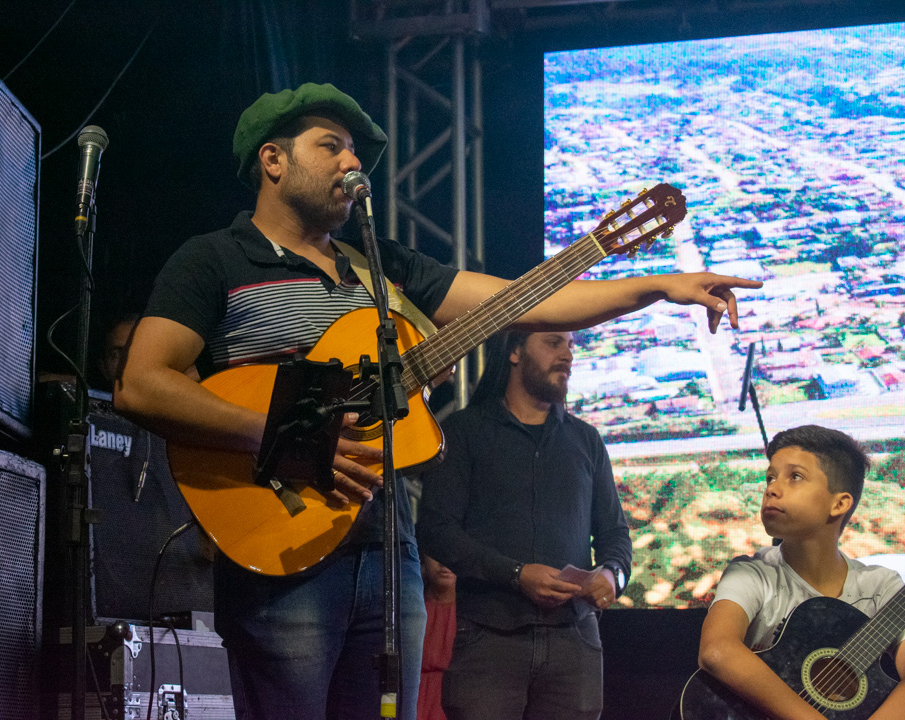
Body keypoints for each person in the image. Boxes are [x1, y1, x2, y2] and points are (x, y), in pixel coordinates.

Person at [114, 81, 760, 720]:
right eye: (331, 146)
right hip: (280, 540)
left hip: (388, 548)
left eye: (355, 153)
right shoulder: (215, 261)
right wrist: (281, 434)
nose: (351, 163)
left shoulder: (379, 266)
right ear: (273, 161)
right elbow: (142, 384)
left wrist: (658, 285)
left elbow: (525, 301)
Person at [416, 331, 632, 720]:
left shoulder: (586, 439)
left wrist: (613, 575)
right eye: (554, 343)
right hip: (487, 640)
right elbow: (437, 529)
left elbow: (615, 535)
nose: (567, 354)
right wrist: (516, 575)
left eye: (570, 345)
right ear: (514, 352)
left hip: (575, 640)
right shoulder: (464, 432)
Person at [696, 425, 905, 719]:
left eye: (795, 477)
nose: (772, 488)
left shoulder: (881, 586)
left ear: (839, 503)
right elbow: (717, 650)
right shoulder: (752, 573)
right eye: (770, 477)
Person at [418, 555, 457, 720]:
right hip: (407, 703)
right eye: (436, 553)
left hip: (457, 706)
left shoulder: (479, 615)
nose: (444, 561)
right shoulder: (405, 610)